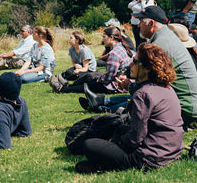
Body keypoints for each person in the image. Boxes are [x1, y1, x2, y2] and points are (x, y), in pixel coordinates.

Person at [74, 43, 184, 174]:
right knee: (120, 128)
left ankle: (106, 164)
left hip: (150, 158)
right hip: (172, 151)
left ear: (147, 68)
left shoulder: (142, 94)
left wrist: (119, 144)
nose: (130, 65)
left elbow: (136, 137)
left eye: (135, 62)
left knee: (90, 145)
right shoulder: (167, 88)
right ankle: (106, 160)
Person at [133, 5, 197, 129]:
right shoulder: (164, 37)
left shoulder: (160, 44)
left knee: (140, 98)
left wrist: (129, 86)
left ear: (151, 23)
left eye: (140, 21)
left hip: (185, 109)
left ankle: (104, 103)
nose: (138, 25)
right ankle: (102, 101)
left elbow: (151, 84)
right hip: (187, 105)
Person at [49, 26, 132, 94]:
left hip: (114, 86)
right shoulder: (121, 48)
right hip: (119, 83)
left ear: (111, 38)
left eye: (104, 37)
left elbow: (108, 78)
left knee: (87, 84)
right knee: (91, 76)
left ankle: (62, 89)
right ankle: (66, 86)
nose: (103, 40)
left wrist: (99, 79)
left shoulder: (114, 54)